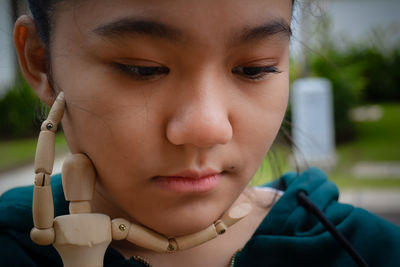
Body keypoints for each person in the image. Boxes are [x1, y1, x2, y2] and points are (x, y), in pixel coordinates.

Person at [1, 0, 399, 266]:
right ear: (40, 60)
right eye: (143, 68)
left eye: (254, 68)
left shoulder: (366, 251)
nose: (208, 128)